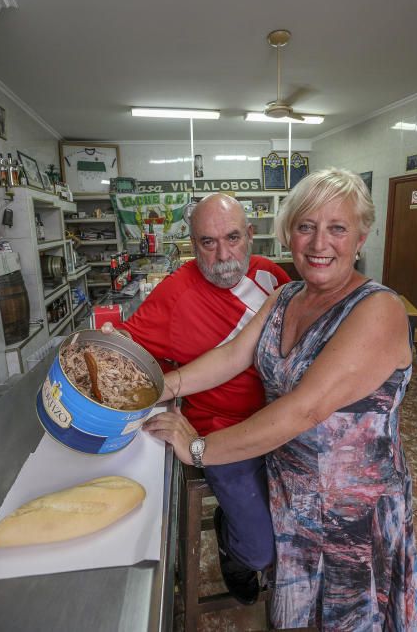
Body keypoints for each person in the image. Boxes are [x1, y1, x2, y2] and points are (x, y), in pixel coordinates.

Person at [144, 169, 417, 631]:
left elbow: (306, 409)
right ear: (287, 232)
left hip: (352, 514)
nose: (319, 243)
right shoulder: (286, 294)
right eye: (306, 226)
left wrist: (198, 448)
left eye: (337, 228)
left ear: (361, 237)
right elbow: (233, 355)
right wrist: (162, 389)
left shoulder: (380, 309)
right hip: (291, 494)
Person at [105, 193, 290, 605]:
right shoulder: (174, 293)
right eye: (208, 242)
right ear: (192, 245)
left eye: (233, 237)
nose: (224, 255)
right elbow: (126, 351)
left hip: (282, 423)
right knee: (260, 550)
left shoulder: (272, 277)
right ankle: (233, 545)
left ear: (251, 235)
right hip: (221, 433)